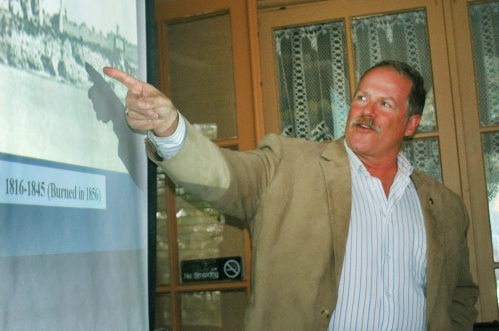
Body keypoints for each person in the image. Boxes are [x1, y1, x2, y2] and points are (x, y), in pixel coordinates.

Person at [103, 60, 479, 330]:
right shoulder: (290, 164)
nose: (366, 111)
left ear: (411, 124)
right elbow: (225, 175)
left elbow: (459, 293)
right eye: (362, 97)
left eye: (385, 104)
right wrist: (171, 130)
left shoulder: (444, 206)